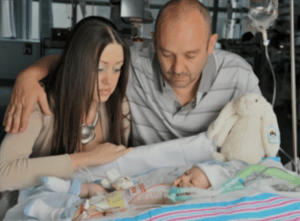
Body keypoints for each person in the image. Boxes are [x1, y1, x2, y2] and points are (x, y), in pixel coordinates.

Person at [3, 0, 261, 146]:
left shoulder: (239, 76)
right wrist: (30, 74)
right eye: (166, 54)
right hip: (144, 180)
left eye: (191, 55)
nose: (177, 68)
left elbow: (261, 142)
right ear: (152, 42)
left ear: (210, 44)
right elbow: (82, 59)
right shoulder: (133, 63)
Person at [0, 16, 133, 192]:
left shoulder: (119, 104)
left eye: (117, 69)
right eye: (100, 68)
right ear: (78, 65)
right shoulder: (40, 103)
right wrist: (87, 158)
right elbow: (4, 174)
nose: (109, 80)